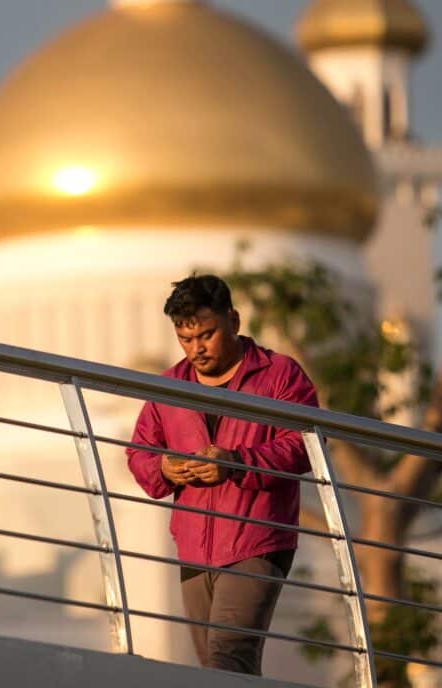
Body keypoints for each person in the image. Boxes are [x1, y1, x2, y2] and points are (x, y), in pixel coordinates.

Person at [126, 274, 318, 675]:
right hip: (194, 547)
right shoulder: (169, 386)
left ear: (234, 320)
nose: (196, 349)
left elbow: (304, 446)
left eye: (207, 335)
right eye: (185, 338)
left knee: (227, 660)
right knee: (219, 670)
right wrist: (164, 468)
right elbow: (139, 456)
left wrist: (236, 462)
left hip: (257, 538)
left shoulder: (280, 375)